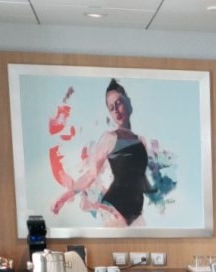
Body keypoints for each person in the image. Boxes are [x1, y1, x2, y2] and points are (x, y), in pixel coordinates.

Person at [51, 79, 155, 226]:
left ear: (128, 103)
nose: (115, 110)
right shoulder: (109, 138)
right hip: (114, 209)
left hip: (136, 213)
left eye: (118, 103)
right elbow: (91, 175)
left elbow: (139, 178)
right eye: (111, 108)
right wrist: (64, 197)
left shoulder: (141, 141)